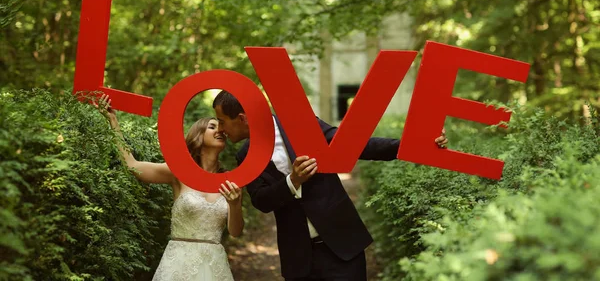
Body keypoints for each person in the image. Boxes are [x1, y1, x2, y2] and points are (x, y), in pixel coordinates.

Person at [212, 90, 448, 281]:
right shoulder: (244, 156)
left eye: (222, 121)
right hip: (299, 259)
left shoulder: (300, 125)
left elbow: (356, 145)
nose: (220, 129)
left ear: (242, 118)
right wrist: (292, 181)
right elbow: (262, 201)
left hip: (342, 247)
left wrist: (417, 144)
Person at [95, 94, 242, 281]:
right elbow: (133, 166)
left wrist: (235, 204)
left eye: (221, 127)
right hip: (178, 264)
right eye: (212, 126)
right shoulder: (179, 172)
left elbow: (236, 232)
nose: (219, 130)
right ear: (198, 135)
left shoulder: (230, 182)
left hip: (215, 267)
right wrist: (113, 121)